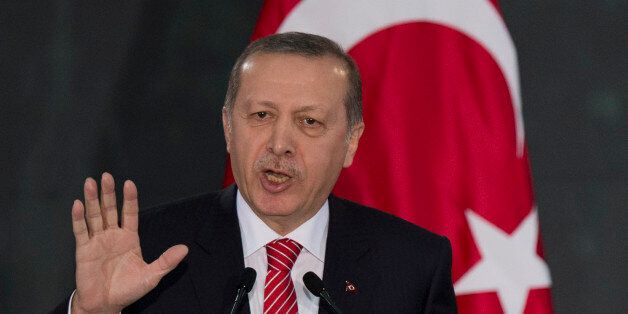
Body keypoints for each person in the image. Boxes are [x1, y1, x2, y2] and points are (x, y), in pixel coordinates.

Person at [53, 32, 456, 313]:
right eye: (261, 115)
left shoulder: (412, 266)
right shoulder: (149, 249)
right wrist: (92, 312)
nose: (279, 144)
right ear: (229, 127)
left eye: (309, 122)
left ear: (351, 141)